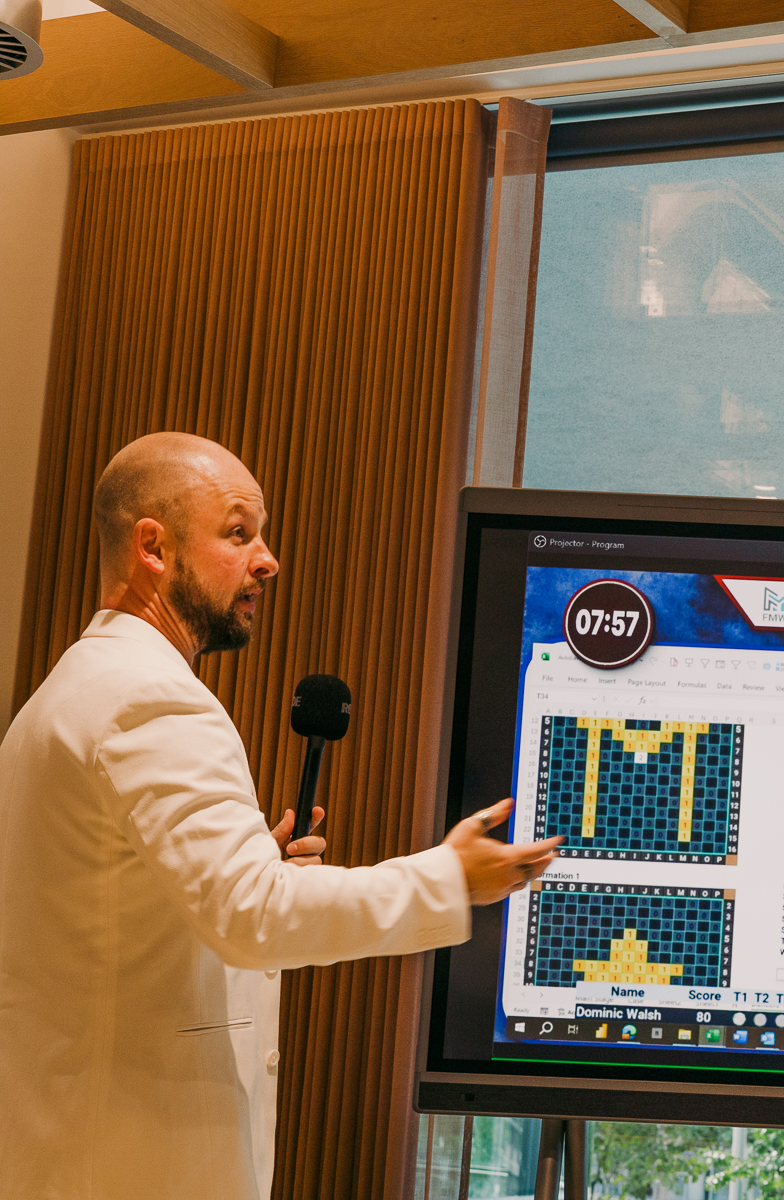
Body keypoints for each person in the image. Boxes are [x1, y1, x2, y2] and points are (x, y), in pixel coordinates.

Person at [0, 433, 562, 1200]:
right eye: (238, 532)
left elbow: (126, 920)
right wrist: (447, 879)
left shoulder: (73, 688)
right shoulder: (147, 698)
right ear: (154, 548)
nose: (267, 560)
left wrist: (246, 871)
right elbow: (250, 916)